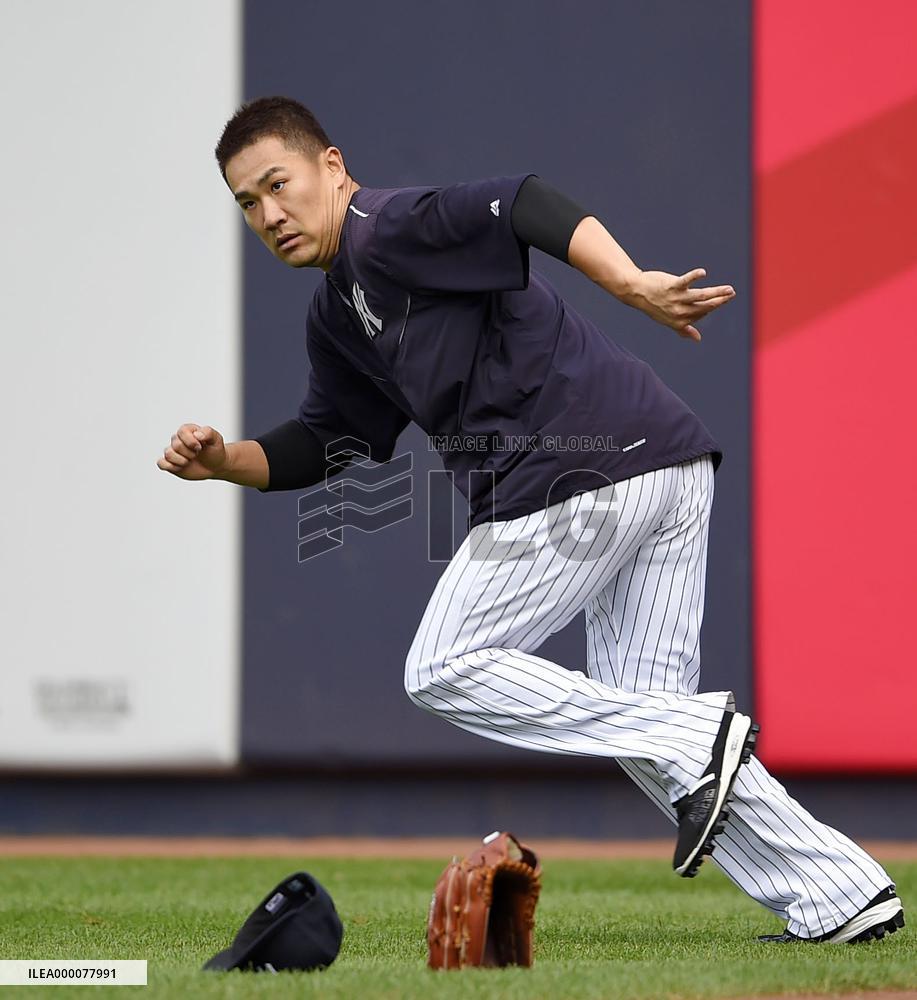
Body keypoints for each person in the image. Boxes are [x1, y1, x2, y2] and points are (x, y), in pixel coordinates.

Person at [158, 96, 903, 942]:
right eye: (247, 202)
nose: (268, 213)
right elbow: (329, 440)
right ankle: (839, 895)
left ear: (331, 166)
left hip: (577, 470)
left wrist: (626, 280)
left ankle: (699, 731)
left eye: (277, 183)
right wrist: (226, 460)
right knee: (651, 728)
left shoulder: (384, 228)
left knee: (445, 666)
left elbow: (519, 201)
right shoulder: (338, 315)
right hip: (660, 463)